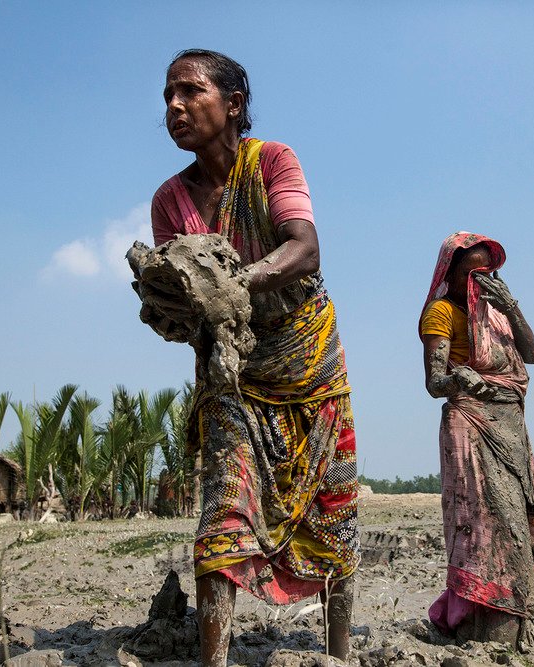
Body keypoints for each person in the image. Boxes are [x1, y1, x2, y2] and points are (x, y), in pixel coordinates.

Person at [151, 49, 359, 665]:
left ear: (233, 104)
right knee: (223, 507)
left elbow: (305, 248)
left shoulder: (272, 160)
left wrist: (233, 282)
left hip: (309, 357)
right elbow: (180, 299)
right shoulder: (170, 201)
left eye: (190, 92)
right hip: (231, 370)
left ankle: (338, 651)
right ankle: (213, 658)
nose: (175, 107)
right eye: (168, 96)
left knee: (334, 507)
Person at [419, 232, 534, 651]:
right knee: (484, 526)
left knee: (519, 523)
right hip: (470, 426)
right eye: (472, 271)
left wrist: (510, 304)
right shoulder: (442, 312)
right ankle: (480, 626)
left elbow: (531, 355)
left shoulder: (496, 315)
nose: (480, 279)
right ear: (451, 273)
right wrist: (462, 377)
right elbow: (435, 382)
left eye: (487, 272)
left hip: (509, 426)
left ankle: (506, 626)